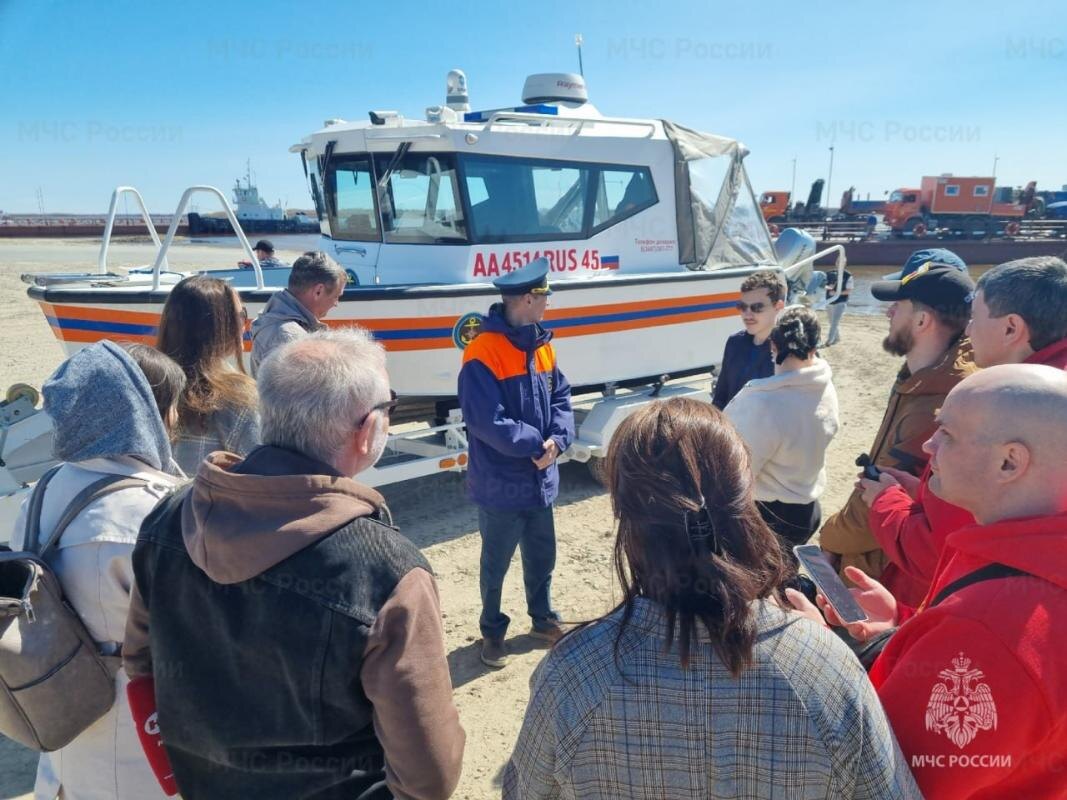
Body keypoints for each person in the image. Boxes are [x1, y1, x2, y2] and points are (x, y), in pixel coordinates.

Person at [504, 398, 920, 799]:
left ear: (626, 520)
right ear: (746, 503)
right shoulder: (825, 670)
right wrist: (821, 647)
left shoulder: (574, 674)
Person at [123, 329, 465, 799]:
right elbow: (430, 776)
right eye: (389, 406)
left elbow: (141, 665)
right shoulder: (385, 571)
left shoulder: (168, 518)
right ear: (366, 432)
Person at [807, 365, 1067, 799]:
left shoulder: (988, 629)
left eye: (946, 433)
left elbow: (883, 781)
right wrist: (904, 629)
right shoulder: (1027, 556)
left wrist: (817, 658)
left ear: (1009, 461)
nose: (928, 446)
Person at [9, 341, 185, 800]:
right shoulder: (153, 513)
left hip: (65, 706)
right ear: (140, 413)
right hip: (142, 733)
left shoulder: (44, 490)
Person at [857, 255, 1067, 605]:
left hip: (974, 602)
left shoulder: (1009, 405)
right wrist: (922, 495)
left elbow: (933, 552)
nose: (967, 331)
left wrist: (885, 500)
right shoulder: (1050, 390)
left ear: (1011, 329)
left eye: (975, 319)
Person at [819, 250, 976, 590]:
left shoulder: (940, 401)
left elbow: (878, 505)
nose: (888, 312)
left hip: (890, 578)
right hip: (881, 561)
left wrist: (830, 538)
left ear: (922, 321)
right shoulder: (924, 376)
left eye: (898, 305)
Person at [457, 257, 575, 669]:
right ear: (528, 298)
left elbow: (562, 397)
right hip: (501, 484)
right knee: (496, 564)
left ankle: (542, 619)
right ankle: (492, 631)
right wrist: (536, 445)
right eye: (544, 296)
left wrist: (558, 440)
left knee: (542, 556)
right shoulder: (482, 351)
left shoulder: (543, 345)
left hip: (540, 480)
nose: (548, 303)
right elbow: (486, 421)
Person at [724, 306, 839, 549]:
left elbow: (737, 474)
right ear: (814, 347)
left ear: (773, 346)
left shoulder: (763, 403)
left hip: (770, 518)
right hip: (807, 509)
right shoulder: (824, 387)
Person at [156, 275, 260, 474]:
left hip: (150, 503)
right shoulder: (239, 397)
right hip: (207, 504)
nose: (245, 324)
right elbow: (261, 475)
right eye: (242, 315)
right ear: (219, 326)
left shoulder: (145, 384)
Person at [249, 250, 346, 375]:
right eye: (336, 296)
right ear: (318, 291)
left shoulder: (272, 319)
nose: (336, 303)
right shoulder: (290, 340)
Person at [711, 270, 785, 409]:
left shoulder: (791, 350)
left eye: (757, 307)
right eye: (742, 307)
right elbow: (721, 396)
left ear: (778, 306)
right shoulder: (734, 343)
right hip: (731, 428)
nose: (747, 314)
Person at [822, 266, 853, 346]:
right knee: (831, 322)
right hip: (829, 301)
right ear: (836, 263)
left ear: (845, 263)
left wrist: (836, 293)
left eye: (842, 261)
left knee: (834, 323)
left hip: (841, 302)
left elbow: (848, 291)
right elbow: (822, 284)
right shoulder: (829, 273)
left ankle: (829, 340)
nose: (840, 263)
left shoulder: (848, 275)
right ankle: (837, 338)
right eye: (838, 261)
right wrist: (827, 287)